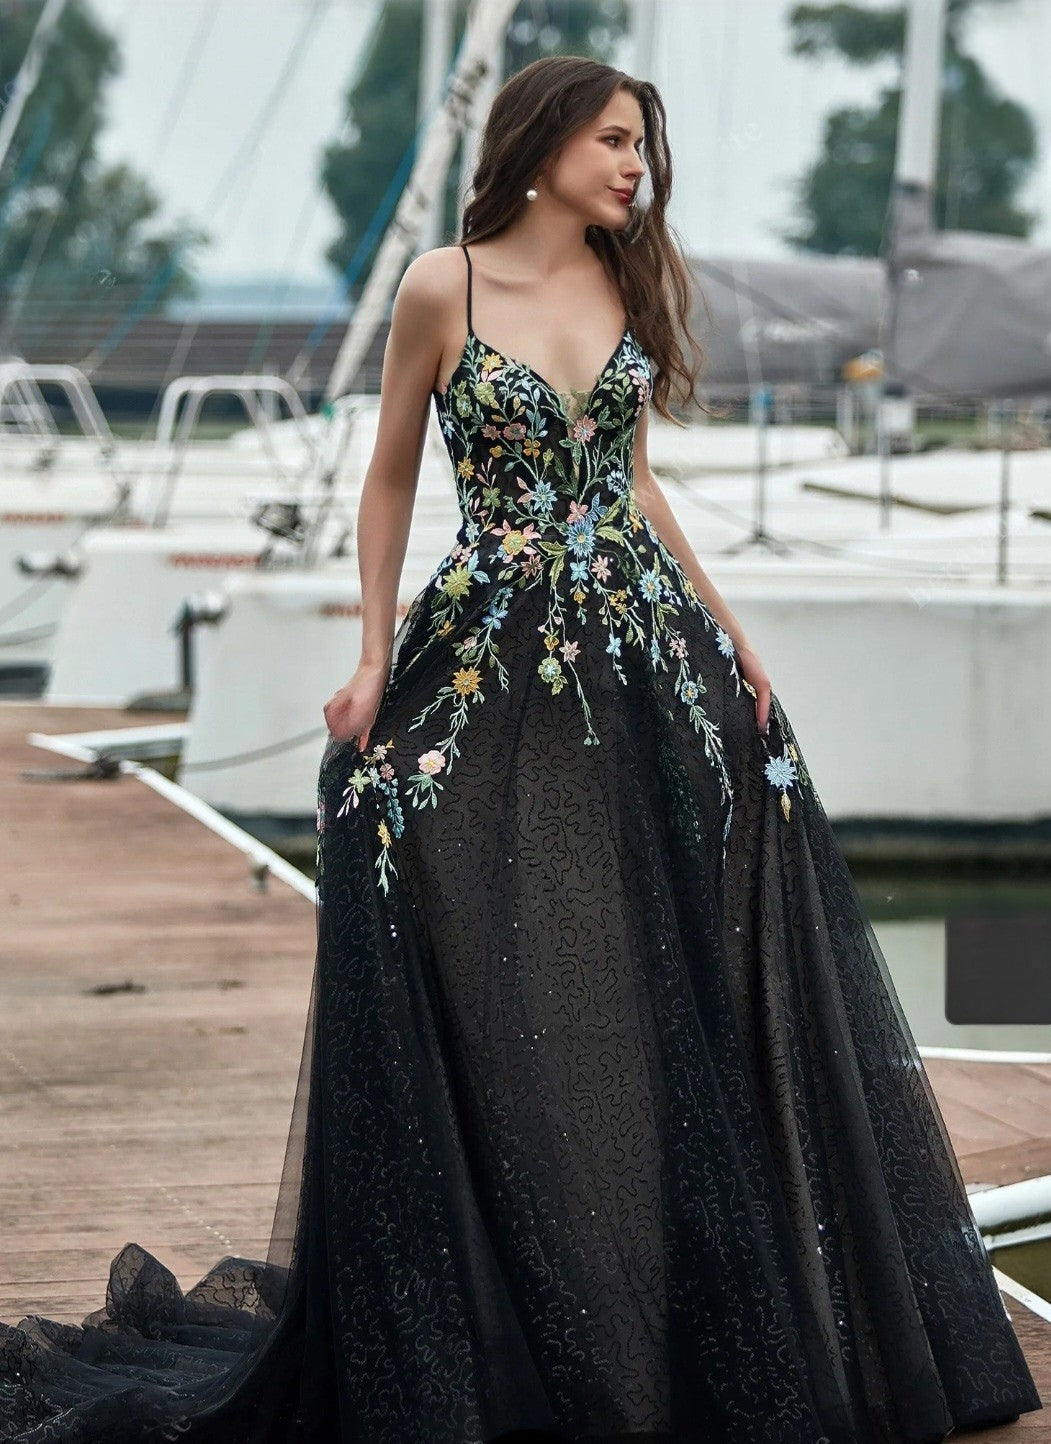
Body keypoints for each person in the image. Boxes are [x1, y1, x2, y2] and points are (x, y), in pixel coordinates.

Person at [0, 53, 1042, 1444]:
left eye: (643, 148)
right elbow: (385, 479)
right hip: (492, 656)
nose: (634, 169)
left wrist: (739, 646)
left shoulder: (626, 282)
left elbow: (638, 488)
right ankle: (515, 1302)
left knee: (670, 966)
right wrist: (371, 659)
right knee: (497, 939)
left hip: (647, 658)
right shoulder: (447, 285)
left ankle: (689, 1326)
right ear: (542, 143)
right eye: (614, 141)